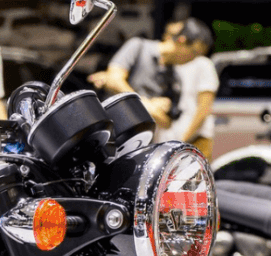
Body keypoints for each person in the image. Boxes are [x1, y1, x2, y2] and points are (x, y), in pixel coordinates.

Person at [90, 18, 217, 156]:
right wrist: (146, 104)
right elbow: (113, 80)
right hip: (108, 136)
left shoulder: (175, 77)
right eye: (194, 52)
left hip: (138, 148)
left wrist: (143, 105)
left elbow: (167, 122)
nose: (193, 59)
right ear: (181, 40)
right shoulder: (138, 46)